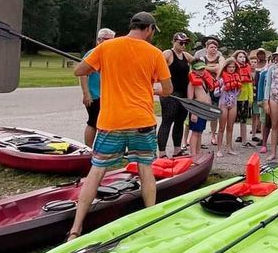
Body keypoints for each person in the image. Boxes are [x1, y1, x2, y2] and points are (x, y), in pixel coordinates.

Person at [67, 12, 172, 240]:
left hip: (111, 123)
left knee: (96, 172)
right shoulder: (155, 53)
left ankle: (75, 229)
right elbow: (168, 89)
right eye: (153, 31)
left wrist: (101, 65)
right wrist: (152, 89)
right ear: (149, 29)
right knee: (146, 169)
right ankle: (150, 221)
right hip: (142, 122)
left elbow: (79, 71)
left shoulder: (106, 47)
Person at [157, 33, 194, 155]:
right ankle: (162, 152)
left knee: (180, 122)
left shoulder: (186, 55)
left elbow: (200, 64)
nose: (184, 45)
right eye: (181, 43)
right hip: (170, 94)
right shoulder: (168, 53)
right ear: (174, 41)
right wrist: (158, 88)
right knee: (167, 122)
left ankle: (177, 149)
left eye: (185, 43)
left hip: (183, 94)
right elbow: (156, 67)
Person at [78, 27, 115, 146]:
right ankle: (88, 148)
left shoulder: (111, 54)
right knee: (93, 122)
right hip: (95, 95)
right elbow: (82, 73)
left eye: (112, 40)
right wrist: (86, 93)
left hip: (108, 95)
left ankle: (104, 148)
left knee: (107, 124)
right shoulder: (93, 53)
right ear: (99, 40)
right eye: (107, 39)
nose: (110, 42)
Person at [193, 36, 223, 145]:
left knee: (214, 112)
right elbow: (199, 68)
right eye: (211, 47)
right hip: (203, 87)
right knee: (199, 111)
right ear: (207, 48)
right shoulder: (201, 58)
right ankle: (196, 135)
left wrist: (207, 67)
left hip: (215, 88)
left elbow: (221, 67)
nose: (214, 49)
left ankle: (213, 135)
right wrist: (212, 67)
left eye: (215, 47)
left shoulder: (220, 56)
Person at [186, 59, 217, 158]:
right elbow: (190, 100)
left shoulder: (204, 80)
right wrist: (193, 113)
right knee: (195, 133)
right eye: (199, 69)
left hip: (203, 110)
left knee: (200, 132)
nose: (201, 71)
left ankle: (198, 152)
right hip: (197, 110)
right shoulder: (192, 83)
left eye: (203, 68)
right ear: (193, 70)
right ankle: (193, 154)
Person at [215, 54, 242, 157]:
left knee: (230, 127)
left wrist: (238, 90)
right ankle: (219, 149)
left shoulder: (237, 77)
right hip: (223, 104)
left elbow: (238, 93)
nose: (231, 69)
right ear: (226, 67)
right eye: (229, 67)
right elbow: (215, 93)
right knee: (221, 127)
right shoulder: (221, 79)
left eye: (233, 67)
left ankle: (229, 147)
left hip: (233, 104)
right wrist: (223, 88)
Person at [234, 50, 254, 147]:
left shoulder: (248, 69)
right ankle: (229, 141)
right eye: (240, 57)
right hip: (233, 98)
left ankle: (244, 140)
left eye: (243, 57)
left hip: (244, 98)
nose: (242, 59)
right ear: (236, 58)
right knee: (231, 120)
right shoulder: (232, 69)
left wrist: (250, 98)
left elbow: (250, 84)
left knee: (243, 120)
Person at [250, 49, 268, 142]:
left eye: (262, 54)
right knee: (254, 114)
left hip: (258, 93)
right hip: (250, 94)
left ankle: (259, 130)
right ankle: (254, 131)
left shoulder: (266, 66)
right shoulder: (249, 71)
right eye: (259, 54)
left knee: (259, 114)